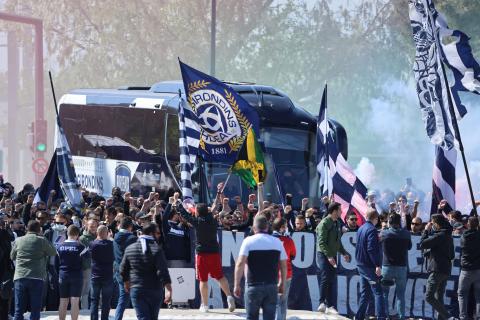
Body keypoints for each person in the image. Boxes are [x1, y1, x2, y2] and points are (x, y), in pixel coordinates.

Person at [178, 201, 235, 312]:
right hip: (214, 253)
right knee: (220, 276)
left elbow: (185, 215)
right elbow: (210, 212)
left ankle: (204, 305)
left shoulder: (197, 222)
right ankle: (229, 296)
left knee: (203, 280)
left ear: (198, 213)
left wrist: (179, 205)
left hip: (202, 254)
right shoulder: (213, 220)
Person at [234, 215, 287, 320]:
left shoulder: (248, 241)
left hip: (253, 285)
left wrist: (236, 284)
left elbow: (240, 263)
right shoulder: (277, 242)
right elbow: (284, 265)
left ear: (254, 228)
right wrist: (282, 283)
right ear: (267, 227)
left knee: (251, 317)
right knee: (270, 317)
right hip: (271, 285)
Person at [120, 222, 172, 320]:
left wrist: (126, 283)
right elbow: (162, 271)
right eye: (157, 233)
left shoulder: (130, 248)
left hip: (137, 289)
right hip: (154, 290)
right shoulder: (157, 249)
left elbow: (123, 269)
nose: (159, 235)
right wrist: (169, 289)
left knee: (143, 317)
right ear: (152, 234)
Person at [10, 220, 57, 320]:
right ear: (39, 229)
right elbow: (53, 252)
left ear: (27, 228)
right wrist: (43, 237)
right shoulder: (42, 240)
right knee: (35, 309)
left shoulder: (18, 240)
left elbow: (12, 256)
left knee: (18, 309)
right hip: (37, 277)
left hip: (20, 276)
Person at [316, 202, 351, 314]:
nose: (341, 212)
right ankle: (321, 303)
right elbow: (321, 242)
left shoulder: (336, 223)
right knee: (325, 277)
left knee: (331, 279)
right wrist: (329, 256)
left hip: (332, 255)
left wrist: (344, 253)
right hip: (323, 254)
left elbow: (337, 242)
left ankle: (330, 306)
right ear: (334, 211)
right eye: (340, 210)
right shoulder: (324, 223)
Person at [419, 214, 454, 320]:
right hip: (446, 270)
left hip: (437, 270)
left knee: (429, 296)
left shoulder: (439, 235)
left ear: (437, 224)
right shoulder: (448, 235)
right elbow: (451, 255)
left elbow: (422, 244)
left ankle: (448, 317)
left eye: (433, 223)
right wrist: (432, 252)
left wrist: (425, 231)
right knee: (439, 298)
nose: (432, 225)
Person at [355, 208, 386, 320]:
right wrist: (377, 265)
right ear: (376, 218)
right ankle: (381, 317)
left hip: (361, 265)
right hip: (369, 266)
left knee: (365, 293)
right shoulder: (372, 230)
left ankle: (359, 317)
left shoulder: (361, 228)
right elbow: (371, 249)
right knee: (378, 292)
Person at [380, 213, 412, 319]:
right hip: (401, 267)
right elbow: (409, 247)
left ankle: (386, 316)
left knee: (384, 293)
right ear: (400, 222)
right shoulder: (406, 234)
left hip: (387, 266)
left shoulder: (384, 233)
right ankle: (401, 317)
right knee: (400, 295)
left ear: (389, 222)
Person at [56, 224, 88, 320]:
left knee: (63, 301)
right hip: (76, 276)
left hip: (63, 275)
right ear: (78, 234)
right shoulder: (80, 246)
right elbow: (87, 258)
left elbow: (56, 263)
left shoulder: (59, 246)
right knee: (75, 301)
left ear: (67, 233)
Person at [88, 225, 114, 320]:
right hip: (107, 275)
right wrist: (110, 238)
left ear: (97, 233)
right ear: (107, 233)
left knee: (94, 300)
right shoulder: (111, 244)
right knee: (106, 301)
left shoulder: (92, 244)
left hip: (95, 275)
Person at [272, 218, 296, 320]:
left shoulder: (268, 238)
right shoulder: (289, 240)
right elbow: (293, 256)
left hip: (271, 274)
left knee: (271, 301)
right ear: (282, 227)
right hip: (286, 274)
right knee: (282, 301)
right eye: (285, 225)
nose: (286, 227)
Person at [113, 217, 137, 320]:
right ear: (130, 227)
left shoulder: (115, 236)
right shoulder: (132, 238)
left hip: (119, 271)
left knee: (123, 298)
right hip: (130, 272)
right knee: (135, 299)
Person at [458, 216, 480, 320]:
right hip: (478, 269)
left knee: (462, 294)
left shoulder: (464, 236)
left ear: (468, 224)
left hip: (466, 270)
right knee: (478, 296)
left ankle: (463, 317)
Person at [79, 218, 98, 309]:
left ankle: (98, 309)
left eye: (95, 226)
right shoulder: (82, 239)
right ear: (86, 226)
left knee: (98, 290)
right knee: (85, 290)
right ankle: (84, 310)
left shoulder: (99, 236)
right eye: (91, 226)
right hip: (86, 267)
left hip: (98, 267)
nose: (93, 228)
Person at [0, 214, 15, 320]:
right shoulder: (3, 232)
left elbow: (11, 237)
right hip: (4, 269)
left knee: (5, 295)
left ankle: (5, 315)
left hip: (5, 268)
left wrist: (6, 226)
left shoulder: (4, 232)